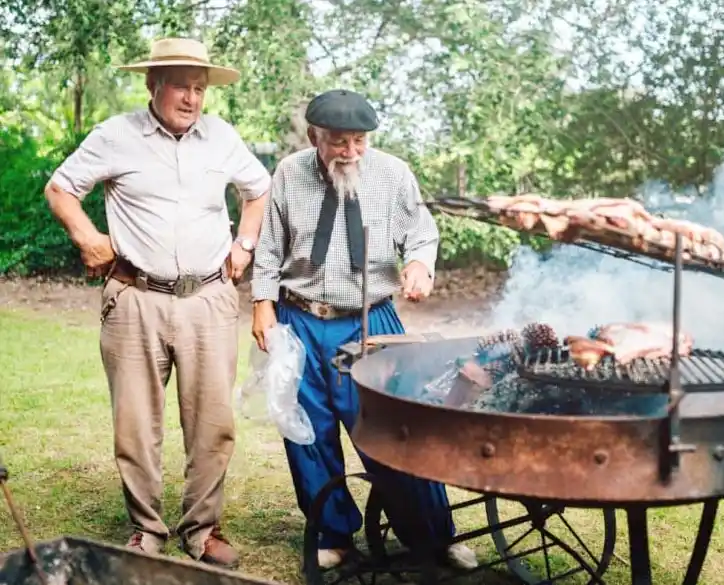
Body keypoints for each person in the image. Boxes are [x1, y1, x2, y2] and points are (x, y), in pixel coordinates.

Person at [43, 37, 272, 570]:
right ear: (153, 85)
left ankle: (203, 529)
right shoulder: (115, 136)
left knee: (213, 420)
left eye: (199, 88)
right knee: (135, 422)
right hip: (135, 298)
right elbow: (61, 190)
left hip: (209, 298)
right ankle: (146, 529)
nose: (192, 98)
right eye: (181, 86)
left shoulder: (221, 137)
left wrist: (246, 245)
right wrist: (88, 238)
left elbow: (257, 190)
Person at [250, 89, 477, 570]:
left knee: (396, 428)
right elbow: (269, 248)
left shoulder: (392, 174)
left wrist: (418, 265)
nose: (350, 152)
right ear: (315, 136)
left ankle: (435, 537)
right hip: (301, 319)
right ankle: (334, 536)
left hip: (372, 320)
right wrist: (262, 306)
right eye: (339, 142)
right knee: (307, 432)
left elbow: (421, 231)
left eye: (359, 141)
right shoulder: (290, 173)